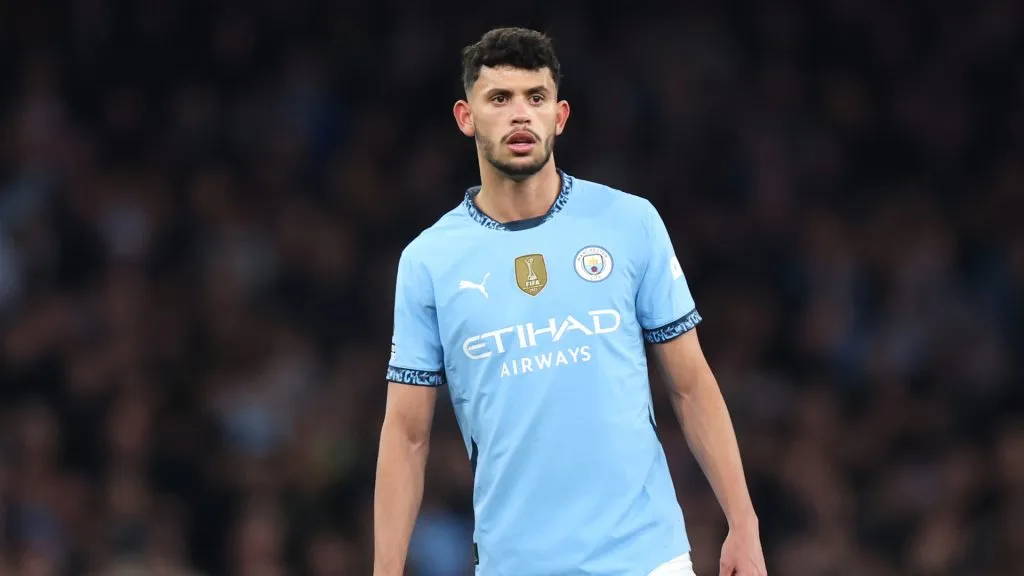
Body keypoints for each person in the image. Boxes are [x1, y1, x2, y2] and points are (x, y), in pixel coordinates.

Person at [374, 27, 768, 576]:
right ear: (466, 118)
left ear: (559, 116)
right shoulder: (428, 262)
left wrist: (743, 523)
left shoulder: (630, 223)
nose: (520, 115)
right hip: (516, 563)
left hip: (647, 556)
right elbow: (407, 434)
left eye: (535, 98)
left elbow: (690, 383)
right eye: (499, 99)